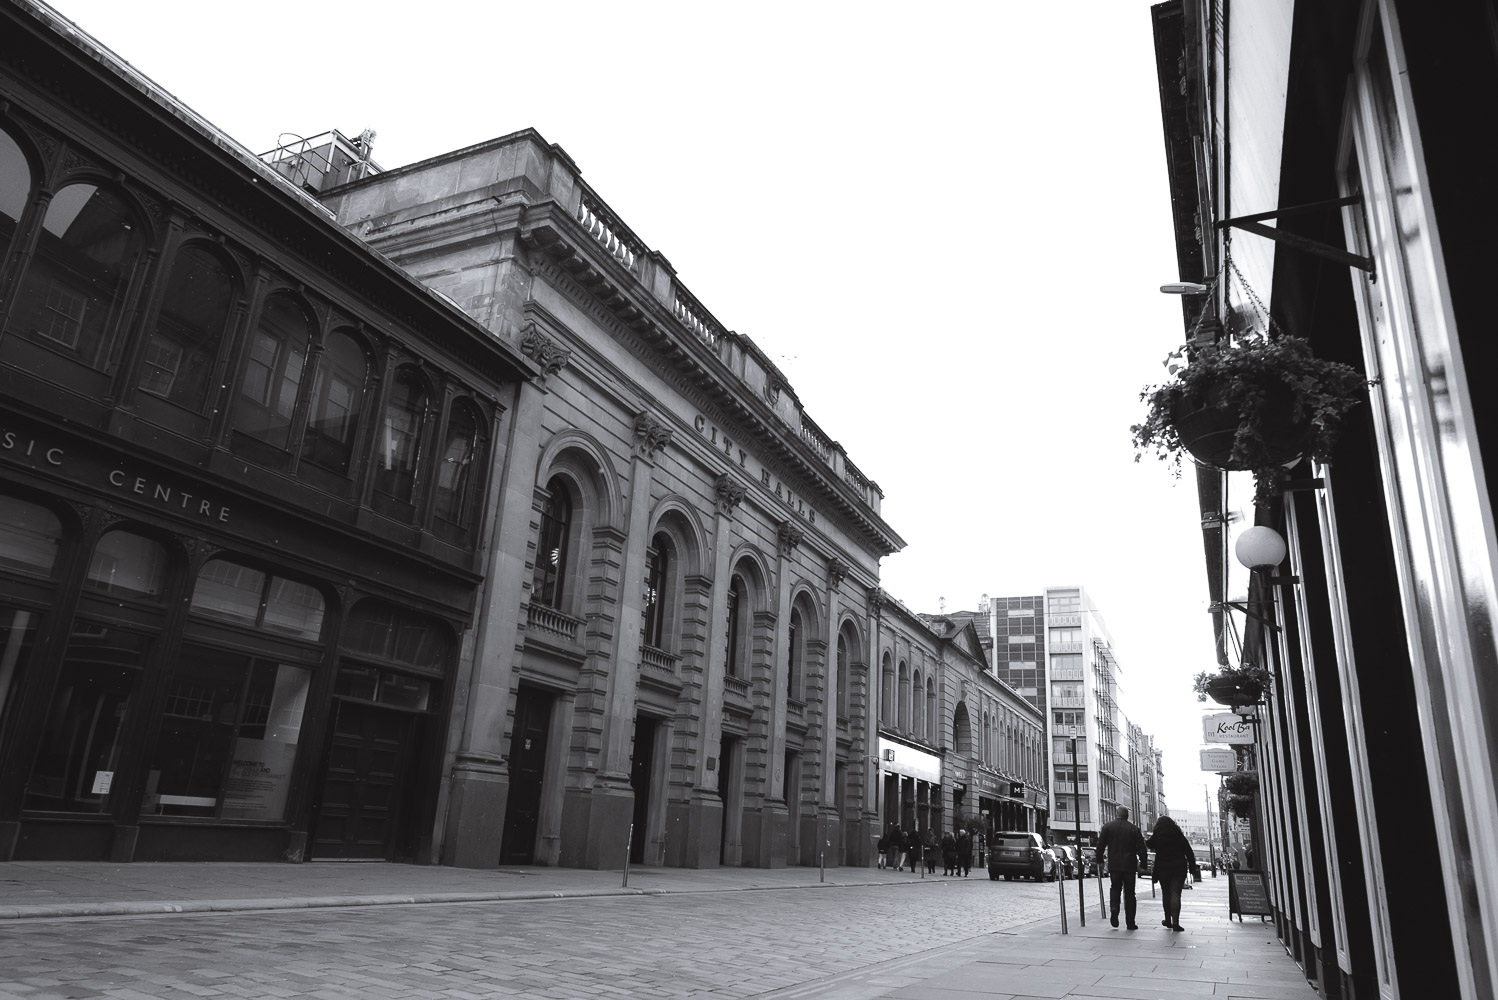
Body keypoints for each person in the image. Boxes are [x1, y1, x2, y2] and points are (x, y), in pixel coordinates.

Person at [1095, 806, 1148, 929]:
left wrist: (1099, 860)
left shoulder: (1108, 827)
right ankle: (1130, 922)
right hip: (1129, 865)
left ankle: (1114, 908)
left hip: (1114, 864)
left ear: (1116, 814)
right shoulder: (1134, 829)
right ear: (1127, 815)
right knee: (1130, 893)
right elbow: (1142, 848)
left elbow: (1100, 845)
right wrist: (1143, 863)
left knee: (1115, 888)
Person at [1146, 816, 1200, 931]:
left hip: (1163, 868)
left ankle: (1168, 920)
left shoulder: (1158, 837)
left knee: (1166, 894)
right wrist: (1192, 868)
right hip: (1178, 869)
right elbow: (1189, 853)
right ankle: (1176, 922)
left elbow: (1148, 844)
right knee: (1175, 894)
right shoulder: (1179, 837)